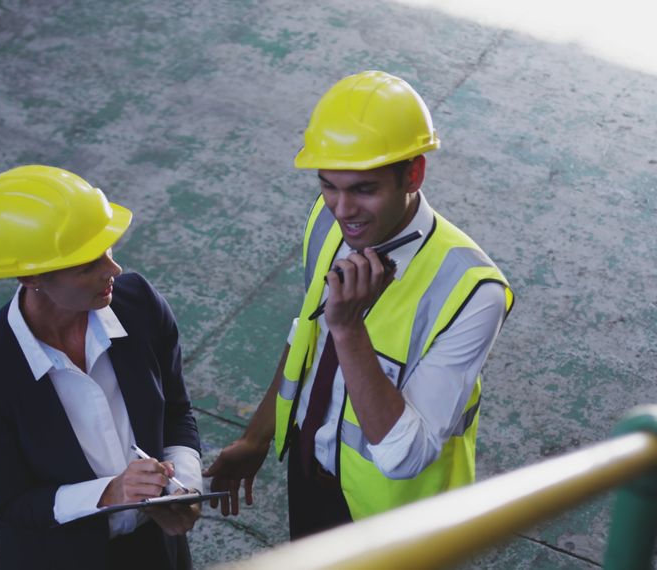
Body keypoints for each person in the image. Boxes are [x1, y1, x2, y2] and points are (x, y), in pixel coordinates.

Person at [204, 70, 515, 539]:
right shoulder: (328, 222)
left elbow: (406, 454)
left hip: (394, 524)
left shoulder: (472, 292)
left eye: (364, 190)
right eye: (328, 185)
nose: (342, 209)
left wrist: (349, 329)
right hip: (311, 475)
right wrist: (256, 436)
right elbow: (305, 337)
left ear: (414, 173)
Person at [0, 165, 202, 570]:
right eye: (87, 264)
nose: (112, 270)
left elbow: (176, 410)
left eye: (108, 250)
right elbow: (12, 501)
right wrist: (110, 493)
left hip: (159, 553)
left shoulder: (140, 305)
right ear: (30, 276)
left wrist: (184, 486)